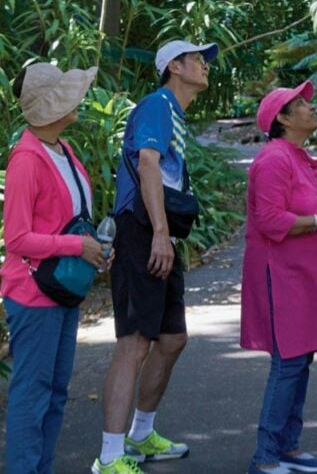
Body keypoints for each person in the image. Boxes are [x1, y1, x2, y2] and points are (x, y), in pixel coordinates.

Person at [92, 40, 218, 474]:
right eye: (197, 59)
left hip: (160, 234)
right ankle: (109, 457)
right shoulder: (157, 105)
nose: (204, 65)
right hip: (142, 231)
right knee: (134, 343)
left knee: (171, 338)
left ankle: (141, 435)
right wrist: (161, 234)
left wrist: (167, 235)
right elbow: (147, 164)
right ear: (175, 68)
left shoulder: (174, 112)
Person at [241, 81, 317, 474]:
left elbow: (305, 219)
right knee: (289, 362)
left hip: (305, 273)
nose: (312, 108)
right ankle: (266, 455)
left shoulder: (299, 158)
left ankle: (288, 447)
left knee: (301, 360)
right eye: (302, 104)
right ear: (282, 118)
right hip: (281, 275)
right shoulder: (274, 159)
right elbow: (269, 219)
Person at [2, 63, 107, 474]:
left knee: (56, 392)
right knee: (32, 393)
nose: (77, 99)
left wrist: (94, 246)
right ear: (53, 107)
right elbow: (17, 238)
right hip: (33, 294)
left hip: (62, 289)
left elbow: (69, 215)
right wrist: (77, 245)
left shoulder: (62, 148)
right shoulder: (27, 158)